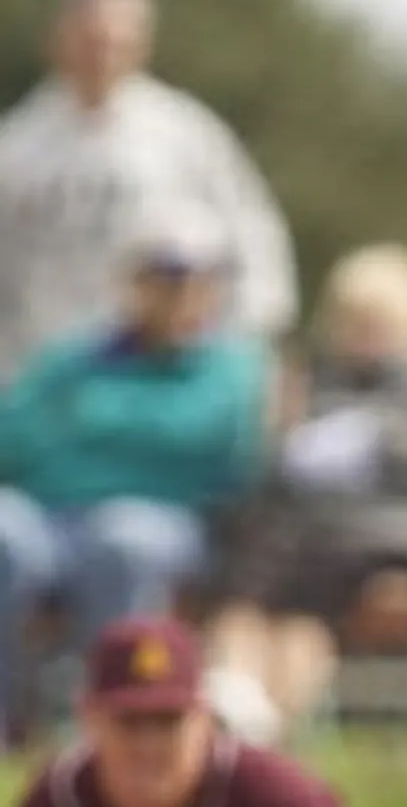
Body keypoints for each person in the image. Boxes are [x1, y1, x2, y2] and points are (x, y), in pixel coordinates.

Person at [205, 244, 407, 745]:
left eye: (377, 321)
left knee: (301, 576)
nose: (364, 334)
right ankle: (244, 714)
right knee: (260, 575)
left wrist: (382, 440)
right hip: (319, 539)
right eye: (353, 321)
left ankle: (260, 733)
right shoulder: (321, 382)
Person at [0, 208, 270, 746]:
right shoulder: (75, 356)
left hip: (169, 523)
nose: (176, 293)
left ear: (211, 289)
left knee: (121, 538)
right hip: (50, 516)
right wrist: (122, 430)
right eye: (161, 277)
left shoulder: (233, 366)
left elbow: (206, 446)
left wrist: (88, 423)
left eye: (189, 280)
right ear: (133, 284)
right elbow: (13, 434)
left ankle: (103, 727)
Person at [0, 0, 297, 382]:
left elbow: (251, 231)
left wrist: (249, 336)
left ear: (142, 47)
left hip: (161, 374)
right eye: (90, 40)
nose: (101, 56)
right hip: (43, 370)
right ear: (58, 40)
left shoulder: (184, 133)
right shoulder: (18, 145)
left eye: (115, 43)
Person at [12, 616, 345, 807]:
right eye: (128, 721)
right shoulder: (61, 797)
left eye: (168, 720)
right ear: (89, 719)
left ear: (205, 720)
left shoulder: (272, 797)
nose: (148, 744)